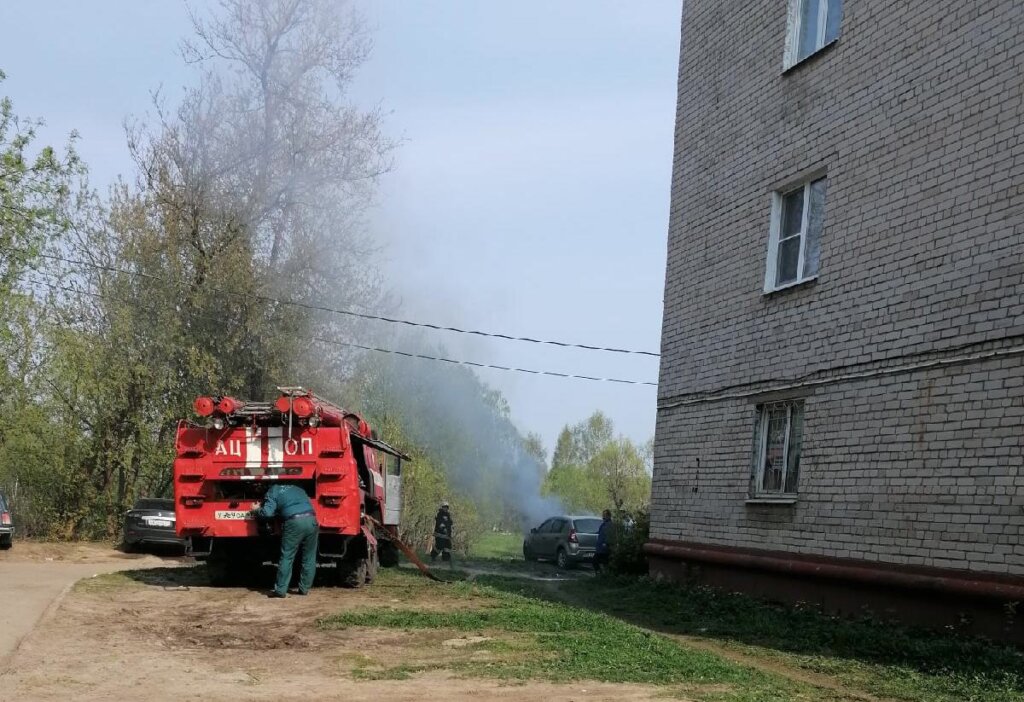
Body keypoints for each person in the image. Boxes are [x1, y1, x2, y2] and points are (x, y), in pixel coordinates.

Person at [250, 483, 318, 598]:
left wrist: (256, 510)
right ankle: (304, 589)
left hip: (294, 523)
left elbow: (267, 513)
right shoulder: (298, 488)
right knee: (309, 557)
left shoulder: (273, 491)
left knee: (287, 556)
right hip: (311, 520)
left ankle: (280, 590)